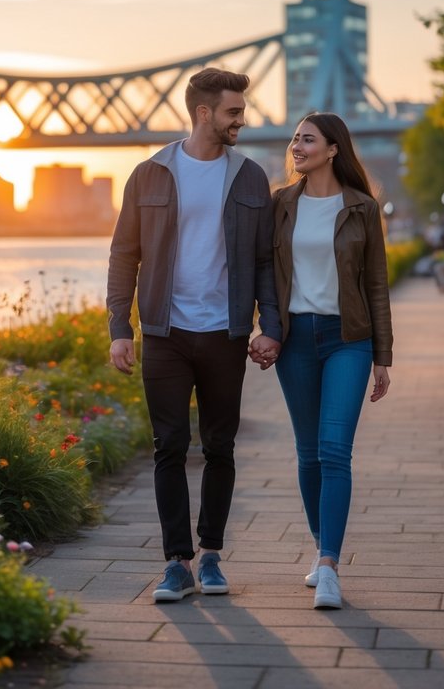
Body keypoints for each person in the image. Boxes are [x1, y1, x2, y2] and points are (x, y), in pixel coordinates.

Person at [107, 67, 282, 603]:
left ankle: (210, 557)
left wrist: (268, 326)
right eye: (233, 112)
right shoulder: (150, 173)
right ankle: (175, 564)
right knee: (169, 447)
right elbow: (124, 253)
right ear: (204, 113)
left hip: (225, 333)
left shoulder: (250, 176)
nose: (242, 121)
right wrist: (121, 328)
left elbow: (264, 261)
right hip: (165, 332)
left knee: (220, 447)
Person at [249, 111, 392, 610]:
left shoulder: (361, 209)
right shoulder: (280, 204)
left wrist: (382, 357)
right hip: (295, 341)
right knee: (307, 452)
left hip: (346, 339)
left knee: (334, 449)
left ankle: (329, 566)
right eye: (294, 139)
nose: (296, 146)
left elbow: (376, 285)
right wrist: (266, 329)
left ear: (334, 149)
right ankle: (319, 546)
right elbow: (264, 274)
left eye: (307, 139)